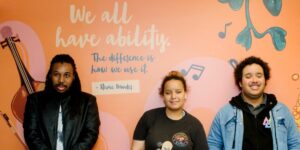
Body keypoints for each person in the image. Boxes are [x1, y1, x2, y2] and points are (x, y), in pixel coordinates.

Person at [207, 56, 300, 150]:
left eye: (259, 76)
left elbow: (295, 143)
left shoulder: (282, 111)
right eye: (248, 76)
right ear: (240, 83)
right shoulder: (225, 112)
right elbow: (213, 144)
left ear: (265, 80)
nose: (254, 80)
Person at [23, 54, 100, 150]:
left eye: (66, 75)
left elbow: (91, 133)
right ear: (50, 75)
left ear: (73, 77)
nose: (61, 80)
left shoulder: (88, 102)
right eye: (56, 74)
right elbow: (31, 133)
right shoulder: (34, 101)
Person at [131, 70, 208, 150]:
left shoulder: (195, 125)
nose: (173, 96)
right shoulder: (148, 118)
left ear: (185, 95)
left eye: (178, 92)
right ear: (163, 96)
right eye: (168, 93)